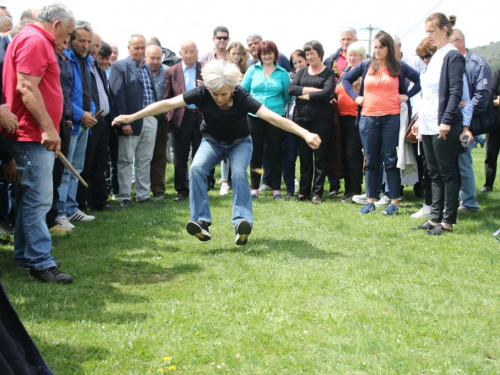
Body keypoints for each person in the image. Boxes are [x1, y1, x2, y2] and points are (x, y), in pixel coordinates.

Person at [113, 60, 321, 245]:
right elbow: (168, 103)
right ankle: (201, 221)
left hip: (240, 142)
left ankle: (242, 222)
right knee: (195, 169)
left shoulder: (242, 97)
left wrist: (305, 133)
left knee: (239, 173)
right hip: (212, 142)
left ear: (232, 88)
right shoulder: (202, 93)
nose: (219, 99)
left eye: (224, 94)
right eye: (215, 94)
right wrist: (132, 116)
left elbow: (273, 118)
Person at [1, 3, 75, 283]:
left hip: (32, 133)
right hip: (32, 134)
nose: (65, 43)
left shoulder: (33, 39)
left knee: (30, 198)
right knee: (38, 200)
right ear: (56, 25)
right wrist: (48, 128)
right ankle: (40, 261)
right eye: (66, 35)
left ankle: (24, 254)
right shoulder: (35, 40)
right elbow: (26, 87)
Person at [343, 31, 420, 215]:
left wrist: (406, 95)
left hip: (391, 118)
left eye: (381, 47)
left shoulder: (398, 66)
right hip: (368, 119)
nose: (377, 50)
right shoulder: (365, 65)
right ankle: (370, 201)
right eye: (375, 47)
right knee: (371, 161)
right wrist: (356, 98)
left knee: (390, 160)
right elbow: (345, 79)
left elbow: (420, 80)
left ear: (389, 48)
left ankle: (394, 202)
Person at [410, 13, 466, 235]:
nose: (429, 36)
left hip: (443, 124)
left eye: (432, 31)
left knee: (448, 173)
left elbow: (455, 91)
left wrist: (446, 120)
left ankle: (447, 222)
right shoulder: (435, 56)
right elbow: (427, 94)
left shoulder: (452, 56)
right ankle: (434, 219)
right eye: (427, 32)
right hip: (428, 123)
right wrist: (418, 121)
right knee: (433, 173)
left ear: (445, 30)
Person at [109, 34, 160, 207]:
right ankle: (124, 196)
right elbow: (117, 96)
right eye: (136, 48)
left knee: (145, 158)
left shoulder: (146, 67)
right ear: (129, 48)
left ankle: (142, 194)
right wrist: (125, 122)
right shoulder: (119, 67)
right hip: (130, 120)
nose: (139, 51)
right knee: (125, 159)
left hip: (149, 119)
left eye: (142, 48)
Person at [450, 27, 495, 212]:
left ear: (460, 41)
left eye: (450, 42)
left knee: (463, 161)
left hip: (466, 123)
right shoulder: (449, 62)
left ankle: (469, 203)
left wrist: (465, 111)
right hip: (451, 121)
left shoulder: (477, 63)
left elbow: (483, 95)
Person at [57, 21, 97, 227]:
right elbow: (63, 94)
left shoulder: (86, 60)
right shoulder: (64, 59)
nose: (85, 45)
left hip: (83, 124)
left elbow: (86, 91)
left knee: (77, 168)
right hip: (70, 122)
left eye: (89, 41)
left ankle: (71, 209)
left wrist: (91, 111)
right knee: (66, 170)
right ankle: (60, 212)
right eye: (81, 40)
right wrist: (82, 114)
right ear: (72, 40)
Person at [241, 40, 291, 200]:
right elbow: (243, 91)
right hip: (254, 118)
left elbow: (287, 96)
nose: (267, 56)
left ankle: (276, 189)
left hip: (276, 117)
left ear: (275, 54)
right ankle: (254, 187)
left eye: (270, 53)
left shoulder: (282, 73)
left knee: (275, 153)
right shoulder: (252, 71)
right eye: (264, 53)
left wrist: (275, 107)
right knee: (256, 153)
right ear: (259, 55)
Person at [77, 30, 120, 212]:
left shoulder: (98, 67)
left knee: (100, 163)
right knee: (86, 164)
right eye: (92, 45)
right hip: (90, 120)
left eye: (95, 45)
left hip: (103, 121)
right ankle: (81, 203)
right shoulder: (84, 65)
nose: (93, 49)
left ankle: (99, 201)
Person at [289, 40, 335, 204]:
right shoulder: (301, 72)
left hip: (321, 119)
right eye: (307, 54)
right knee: (305, 158)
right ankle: (303, 192)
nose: (309, 56)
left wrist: (304, 94)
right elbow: (291, 89)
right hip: (301, 119)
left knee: (320, 157)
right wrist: (314, 91)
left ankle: (317, 193)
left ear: (320, 55)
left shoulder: (328, 73)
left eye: (312, 54)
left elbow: (327, 93)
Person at [163, 40, 203, 202]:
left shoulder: (204, 69)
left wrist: (206, 86)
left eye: (191, 51)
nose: (188, 55)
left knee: (201, 155)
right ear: (180, 53)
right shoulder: (171, 72)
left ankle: (200, 188)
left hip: (200, 117)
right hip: (181, 117)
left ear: (197, 52)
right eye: (185, 52)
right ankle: (182, 190)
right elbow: (167, 97)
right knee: (180, 156)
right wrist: (169, 117)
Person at [335, 42, 366, 203]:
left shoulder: (366, 73)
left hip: (356, 118)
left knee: (352, 154)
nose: (352, 58)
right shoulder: (345, 72)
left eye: (356, 55)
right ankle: (348, 190)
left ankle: (355, 189)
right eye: (350, 55)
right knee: (344, 154)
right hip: (341, 119)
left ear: (363, 57)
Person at [219, 41, 248, 196]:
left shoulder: (247, 69)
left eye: (238, 53)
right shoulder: (223, 69)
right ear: (229, 53)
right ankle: (224, 181)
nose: (236, 56)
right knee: (224, 147)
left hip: (240, 112)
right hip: (225, 112)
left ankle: (238, 180)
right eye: (233, 53)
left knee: (240, 147)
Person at [283, 50, 307, 199]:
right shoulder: (288, 77)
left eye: (300, 61)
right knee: (289, 157)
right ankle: (289, 189)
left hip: (305, 121)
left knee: (305, 158)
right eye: (295, 62)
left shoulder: (310, 76)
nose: (298, 65)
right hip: (290, 121)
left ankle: (304, 190)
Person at [146, 44, 170, 199]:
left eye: (158, 58)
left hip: (161, 120)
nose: (155, 61)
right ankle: (142, 189)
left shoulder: (168, 71)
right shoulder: (140, 71)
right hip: (143, 119)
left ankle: (158, 189)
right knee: (142, 156)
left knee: (159, 155)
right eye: (152, 58)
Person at [483, 68, 500, 192]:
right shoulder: (498, 72)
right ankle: (488, 185)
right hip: (495, 123)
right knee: (491, 155)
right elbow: (491, 92)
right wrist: (496, 100)